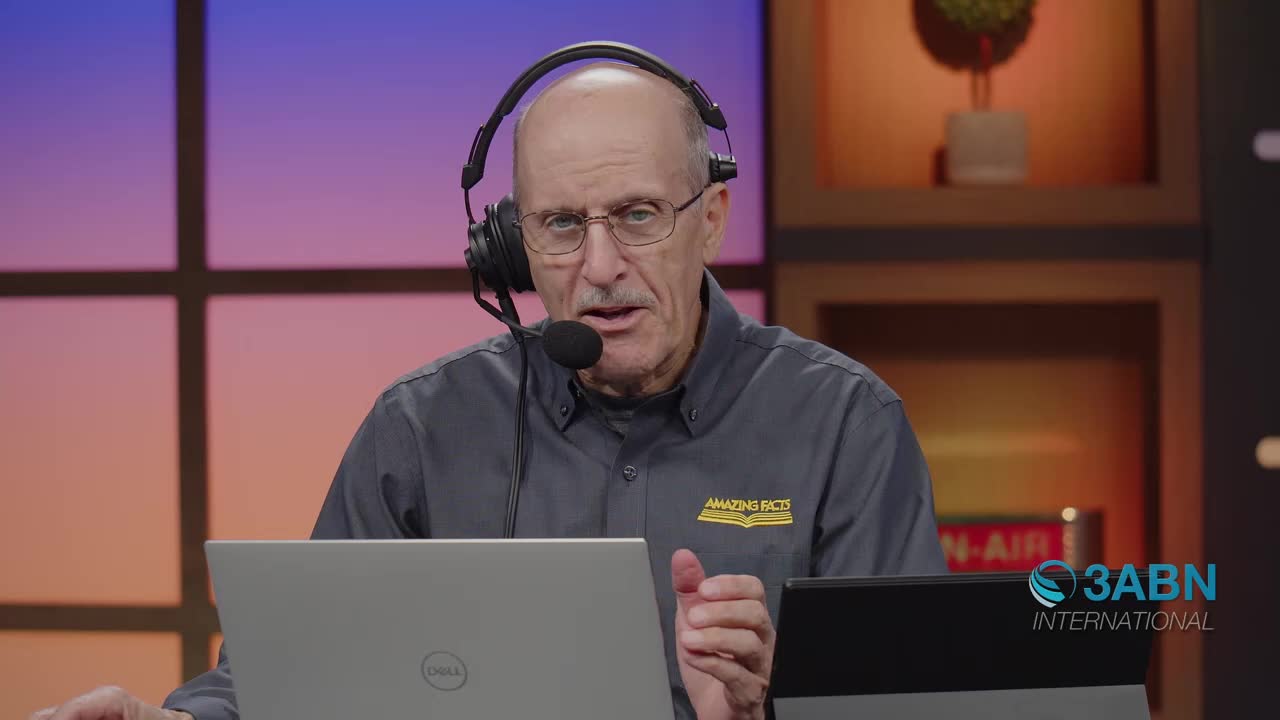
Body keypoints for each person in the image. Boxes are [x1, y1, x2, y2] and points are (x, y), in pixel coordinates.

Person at [32, 56, 947, 720]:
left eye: (636, 216)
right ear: (510, 249)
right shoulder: (424, 426)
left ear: (708, 217)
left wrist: (763, 711)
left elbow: (919, 711)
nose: (598, 268)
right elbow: (291, 682)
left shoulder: (844, 425)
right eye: (558, 225)